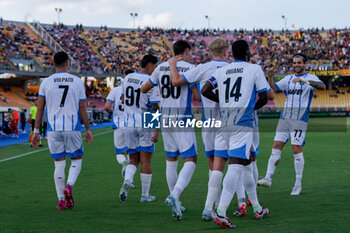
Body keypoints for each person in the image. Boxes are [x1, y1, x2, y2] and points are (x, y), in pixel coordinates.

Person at [201, 40, 270, 229]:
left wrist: (223, 102)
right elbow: (264, 96)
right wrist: (249, 109)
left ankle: (256, 207)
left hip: (224, 123)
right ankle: (221, 212)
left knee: (247, 162)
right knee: (236, 166)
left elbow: (205, 90)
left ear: (231, 53)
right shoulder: (254, 69)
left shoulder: (222, 70)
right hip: (242, 124)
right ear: (247, 53)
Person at [168, 37, 230, 221]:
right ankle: (215, 205)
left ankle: (213, 204)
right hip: (227, 121)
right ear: (226, 51)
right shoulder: (232, 68)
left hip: (208, 121)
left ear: (210, 52)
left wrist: (172, 63)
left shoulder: (203, 68)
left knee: (212, 162)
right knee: (225, 163)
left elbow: (176, 81)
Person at [141, 40, 197, 221]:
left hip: (165, 119)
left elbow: (144, 89)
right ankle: (175, 195)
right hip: (182, 119)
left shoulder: (160, 67)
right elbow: (196, 96)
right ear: (187, 51)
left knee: (171, 161)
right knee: (190, 159)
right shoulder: (190, 67)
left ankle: (176, 204)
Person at [31, 51, 93, 211]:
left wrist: (36, 131)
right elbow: (82, 107)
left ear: (53, 64)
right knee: (77, 159)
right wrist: (87, 128)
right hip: (71, 127)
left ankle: (60, 200)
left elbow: (39, 108)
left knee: (59, 163)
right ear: (67, 63)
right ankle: (69, 186)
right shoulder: (77, 81)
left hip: (52, 129)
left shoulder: (46, 82)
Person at [257, 53, 326, 195]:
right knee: (276, 146)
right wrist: (270, 77)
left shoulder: (311, 78)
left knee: (296, 148)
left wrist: (304, 81)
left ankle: (297, 184)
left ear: (305, 63)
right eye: (294, 63)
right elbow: (275, 89)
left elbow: (322, 86)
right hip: (284, 118)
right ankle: (268, 178)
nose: (296, 65)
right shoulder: (288, 78)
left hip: (299, 119)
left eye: (299, 63)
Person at [119, 55, 160, 203]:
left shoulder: (127, 78)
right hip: (144, 122)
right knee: (146, 160)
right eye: (155, 66)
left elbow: (123, 99)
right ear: (149, 65)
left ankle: (128, 180)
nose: (156, 69)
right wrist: (156, 130)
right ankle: (145, 195)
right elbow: (154, 108)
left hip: (128, 123)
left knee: (133, 159)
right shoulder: (151, 82)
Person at [233, 87, 275, 217]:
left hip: (231, 120)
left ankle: (242, 204)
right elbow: (270, 95)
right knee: (249, 161)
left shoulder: (224, 71)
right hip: (250, 120)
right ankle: (252, 202)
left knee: (235, 162)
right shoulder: (254, 71)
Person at [104, 76, 129, 180]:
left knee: (119, 152)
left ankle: (124, 162)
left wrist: (112, 113)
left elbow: (106, 107)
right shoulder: (136, 88)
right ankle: (128, 177)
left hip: (119, 124)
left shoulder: (115, 90)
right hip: (132, 123)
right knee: (131, 152)